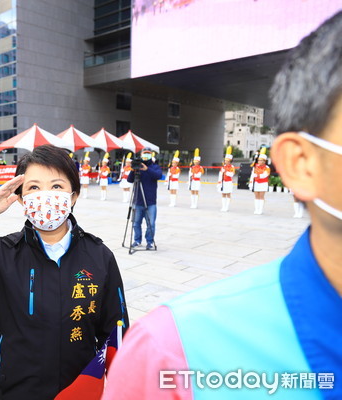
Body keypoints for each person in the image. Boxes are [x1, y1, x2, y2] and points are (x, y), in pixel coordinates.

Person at [103, 11, 342, 399]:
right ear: (301, 163)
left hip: (170, 196)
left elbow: (163, 178)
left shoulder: (185, 169)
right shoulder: (175, 353)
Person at [0, 144, 129, 400]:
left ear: (73, 195)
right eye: (34, 187)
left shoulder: (100, 256)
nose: (46, 195)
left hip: (79, 390)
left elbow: (117, 330)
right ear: (22, 198)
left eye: (57, 186)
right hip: (17, 390)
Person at [127, 149, 162, 250]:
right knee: (136, 223)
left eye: (148, 154)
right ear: (141, 155)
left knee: (151, 223)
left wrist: (146, 169)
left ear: (151, 155)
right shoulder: (137, 167)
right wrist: (133, 170)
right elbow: (129, 180)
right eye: (144, 153)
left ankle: (150, 242)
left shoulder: (155, 166)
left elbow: (158, 175)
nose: (146, 155)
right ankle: (137, 240)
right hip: (138, 200)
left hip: (150, 201)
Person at [250, 148, 270, 214]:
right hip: (256, 183)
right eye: (259, 160)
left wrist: (258, 175)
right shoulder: (255, 167)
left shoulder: (267, 168)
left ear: (264, 161)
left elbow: (265, 175)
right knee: (256, 196)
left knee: (261, 196)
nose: (259, 161)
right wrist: (251, 181)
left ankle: (260, 209)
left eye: (261, 160)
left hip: (263, 183)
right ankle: (256, 209)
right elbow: (253, 174)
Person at [217, 146, 236, 212]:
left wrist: (226, 172)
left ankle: (227, 207)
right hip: (223, 182)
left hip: (228, 182)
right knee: (223, 194)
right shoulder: (223, 167)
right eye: (225, 160)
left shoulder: (232, 167)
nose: (226, 162)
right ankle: (223, 206)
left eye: (227, 161)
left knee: (228, 194)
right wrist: (219, 181)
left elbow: (232, 174)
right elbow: (220, 174)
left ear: (230, 161)